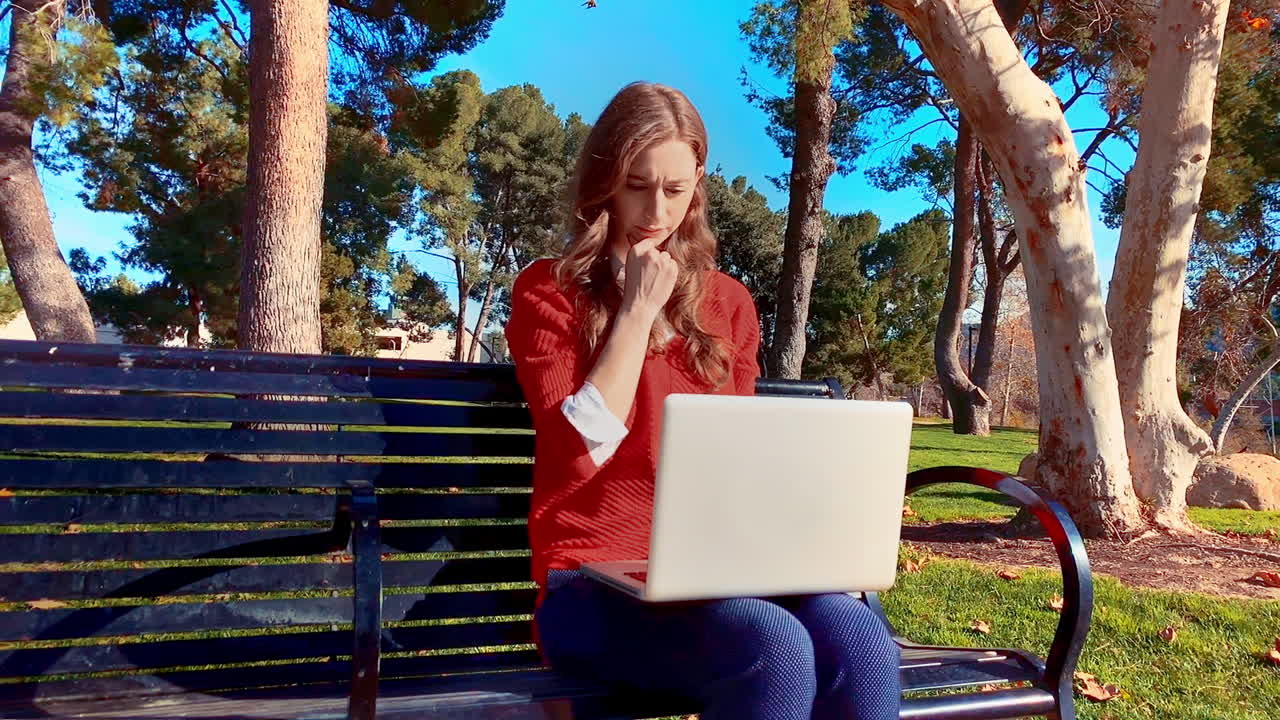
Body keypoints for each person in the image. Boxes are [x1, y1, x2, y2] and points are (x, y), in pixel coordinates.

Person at [504, 82, 900, 720]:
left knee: (859, 640)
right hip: (588, 584)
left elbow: (733, 469)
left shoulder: (728, 304)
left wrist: (810, 547)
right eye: (636, 184)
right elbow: (579, 455)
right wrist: (636, 312)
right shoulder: (550, 293)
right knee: (772, 647)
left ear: (698, 186)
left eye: (675, 189)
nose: (655, 211)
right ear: (604, 179)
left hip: (715, 579)